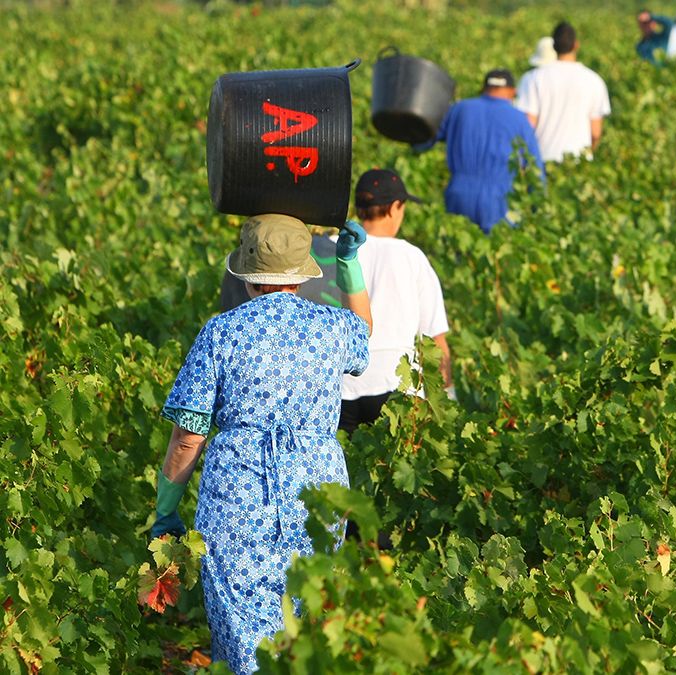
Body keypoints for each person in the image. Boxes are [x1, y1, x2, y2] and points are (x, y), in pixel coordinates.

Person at [149, 214, 373, 674]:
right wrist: (349, 264)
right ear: (303, 271)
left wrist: (166, 507)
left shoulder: (220, 332)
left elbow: (187, 437)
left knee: (241, 626)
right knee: (310, 618)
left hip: (237, 493)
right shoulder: (332, 328)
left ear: (246, 274)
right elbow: (365, 332)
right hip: (318, 492)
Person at [338, 168, 454, 435]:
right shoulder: (412, 257)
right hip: (397, 385)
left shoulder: (335, 248)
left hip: (343, 387)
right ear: (394, 208)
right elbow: (437, 342)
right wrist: (448, 398)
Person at [435, 68, 544, 234]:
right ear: (512, 91)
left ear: (484, 88)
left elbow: (428, 138)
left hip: (459, 192)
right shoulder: (519, 119)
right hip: (499, 197)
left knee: (456, 249)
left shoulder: (460, 109)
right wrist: (538, 208)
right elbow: (534, 167)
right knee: (497, 253)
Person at [515, 21, 612, 163]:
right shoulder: (594, 80)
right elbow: (595, 133)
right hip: (579, 162)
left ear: (553, 46)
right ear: (576, 45)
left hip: (542, 161)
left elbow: (528, 126)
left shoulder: (533, 78)